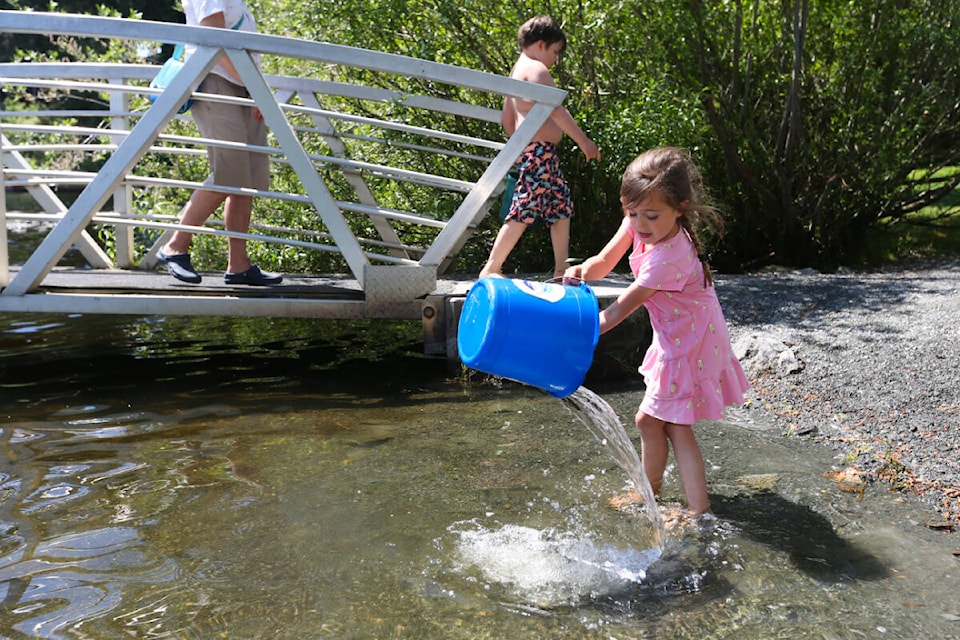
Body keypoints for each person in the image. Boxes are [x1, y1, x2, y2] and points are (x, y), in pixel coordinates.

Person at [563, 147, 749, 514]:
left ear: (679, 208)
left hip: (691, 342)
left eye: (650, 215)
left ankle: (697, 511)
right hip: (679, 334)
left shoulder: (668, 259)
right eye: (632, 214)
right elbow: (604, 262)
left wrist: (574, 335)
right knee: (652, 420)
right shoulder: (640, 219)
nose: (640, 224)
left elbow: (617, 311)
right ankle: (653, 495)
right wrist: (583, 271)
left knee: (672, 425)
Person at [157, 0, 282, 286]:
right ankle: (175, 246)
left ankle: (238, 265)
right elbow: (214, 39)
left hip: (242, 86)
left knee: (246, 179)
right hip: (218, 82)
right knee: (229, 174)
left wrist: (253, 86)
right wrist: (255, 85)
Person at [479, 15, 601, 280]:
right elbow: (556, 109)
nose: (555, 60)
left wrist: (521, 146)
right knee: (524, 209)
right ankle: (490, 268)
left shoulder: (517, 71)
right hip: (540, 152)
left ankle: (560, 270)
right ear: (541, 45)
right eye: (555, 52)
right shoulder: (536, 69)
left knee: (561, 206)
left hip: (536, 151)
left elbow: (507, 120)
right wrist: (584, 141)